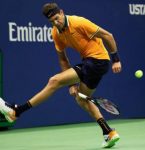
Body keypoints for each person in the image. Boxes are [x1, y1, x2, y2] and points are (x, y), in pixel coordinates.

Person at [0, 2, 122, 148]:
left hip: (98, 61)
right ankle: (108, 132)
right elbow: (63, 60)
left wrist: (116, 60)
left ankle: (17, 111)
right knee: (82, 99)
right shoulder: (55, 32)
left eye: (57, 18)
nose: (56, 23)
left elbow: (108, 35)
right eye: (52, 21)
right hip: (91, 65)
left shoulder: (79, 22)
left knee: (54, 81)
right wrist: (71, 84)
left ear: (62, 12)